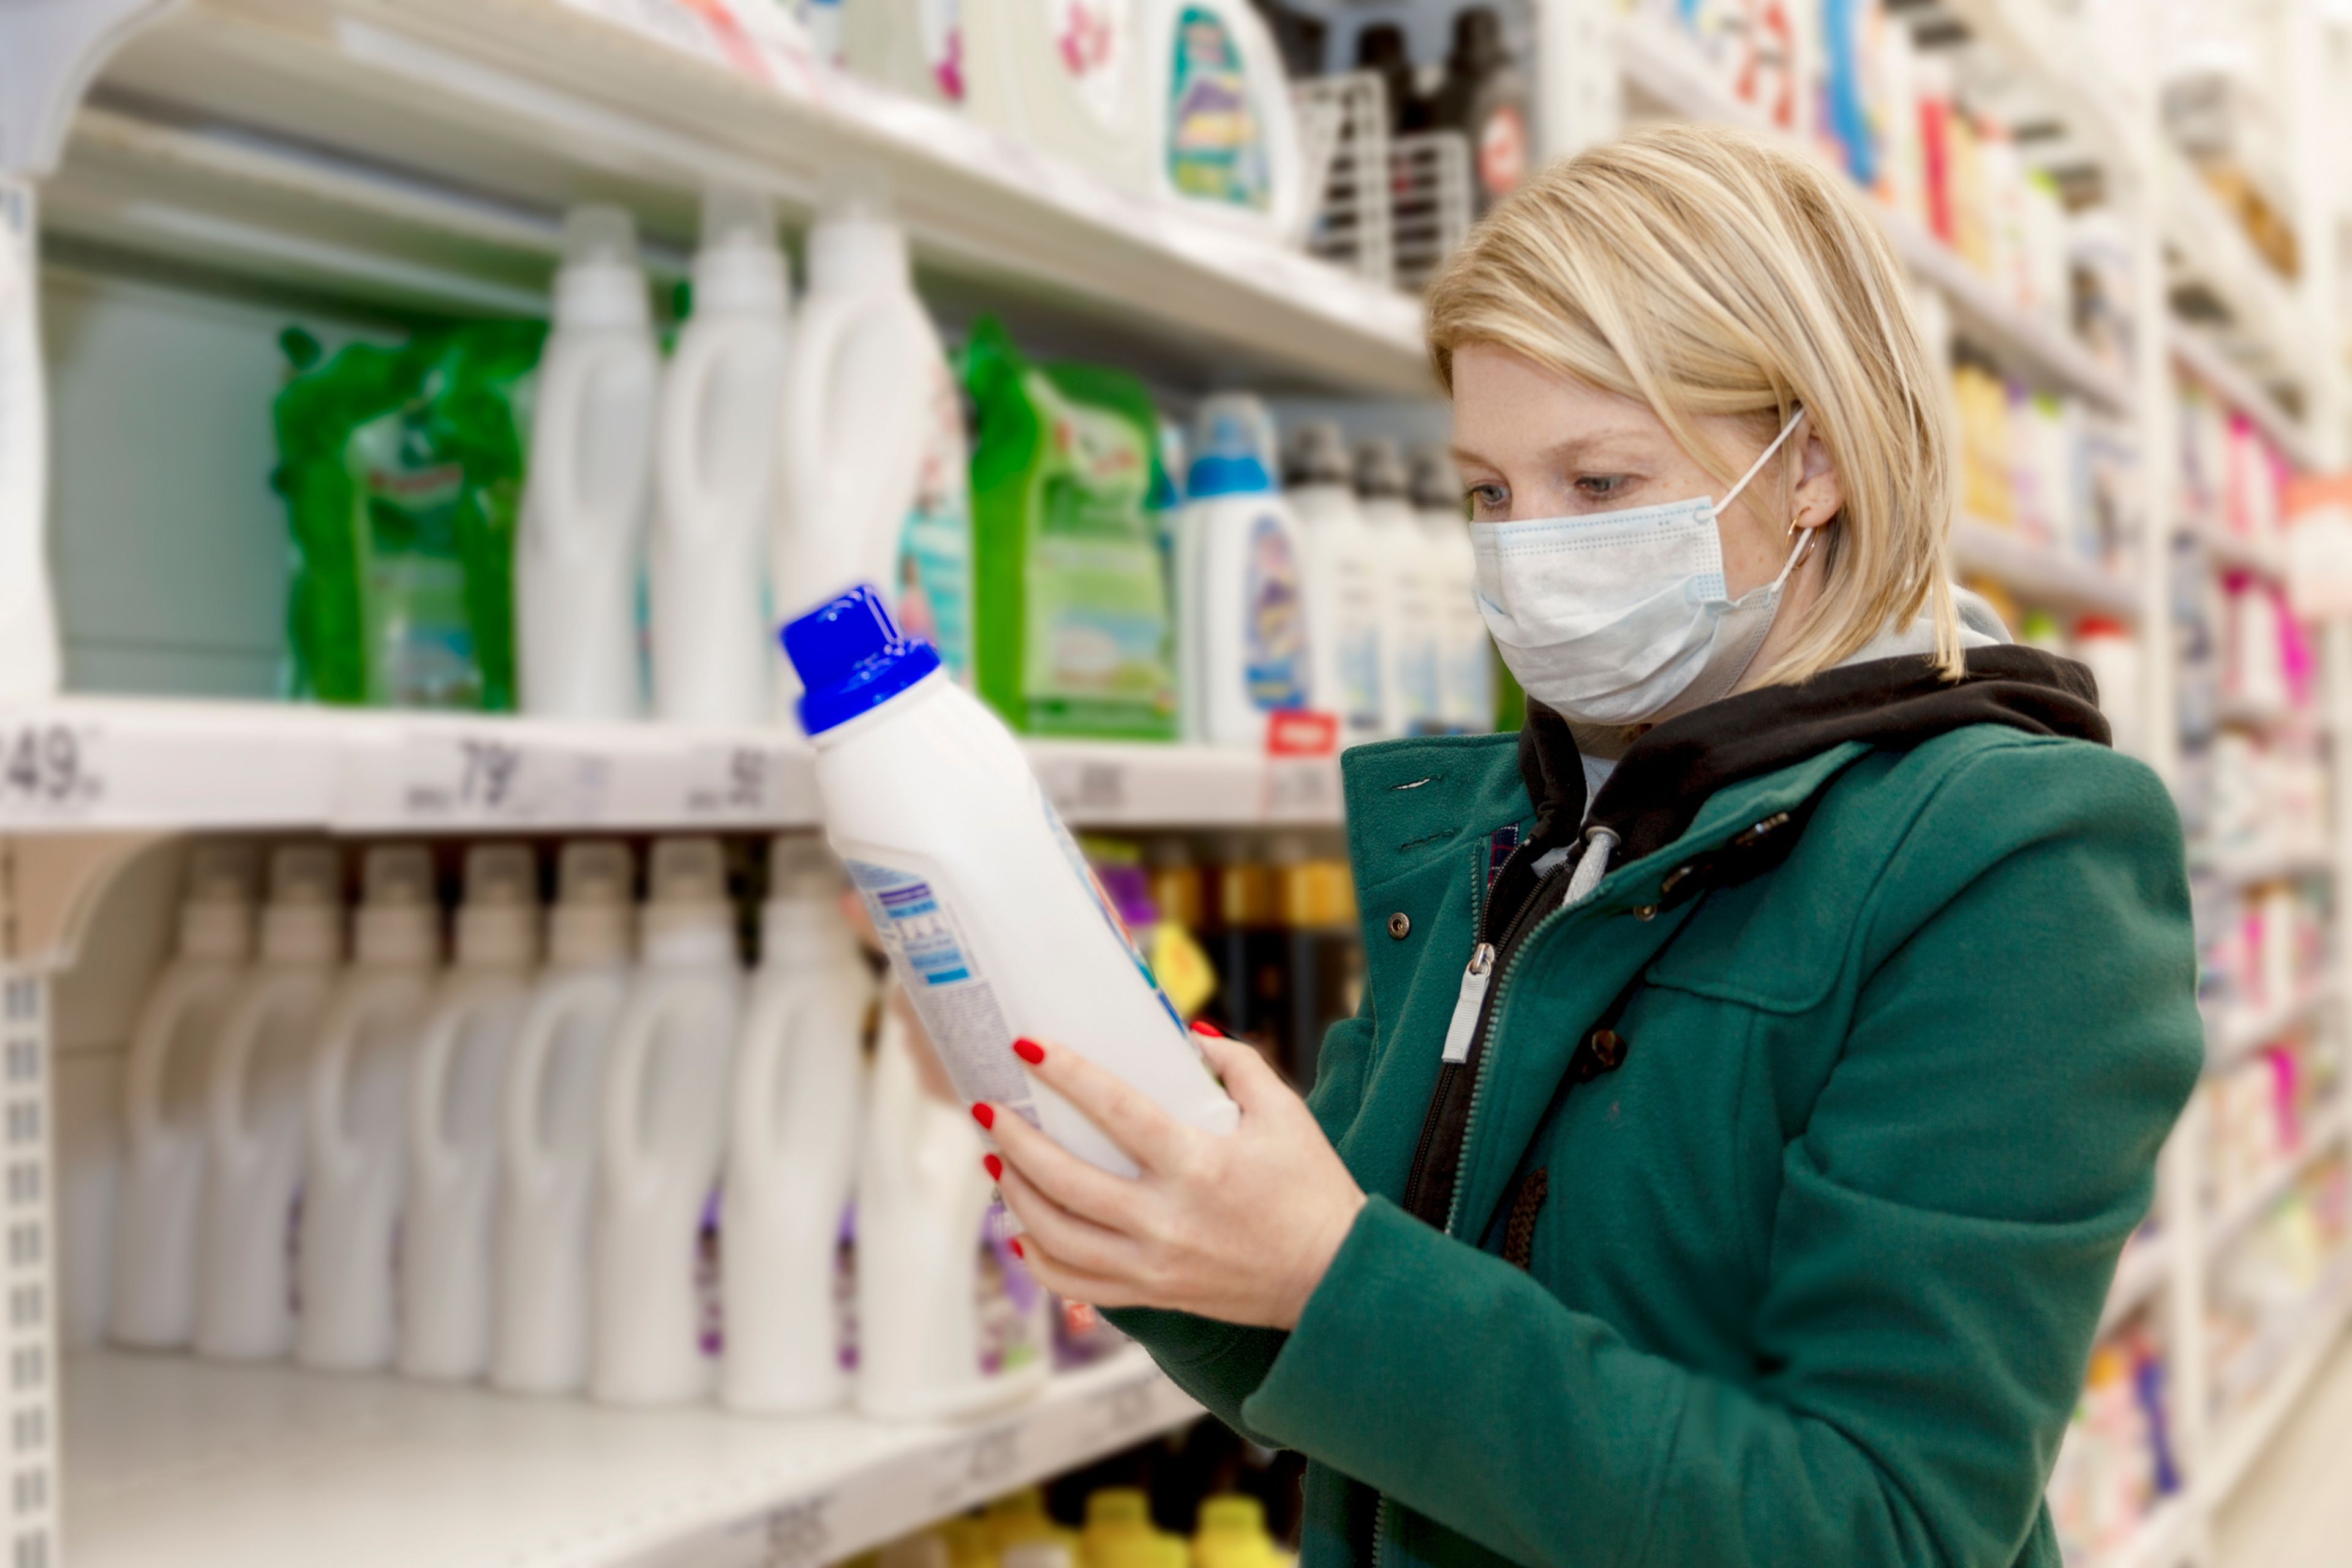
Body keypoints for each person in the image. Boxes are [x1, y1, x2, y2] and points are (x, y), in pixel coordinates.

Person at [977, 122, 2202, 1567]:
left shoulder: (2014, 856)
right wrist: (1157, 1215)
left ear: (1808, 465)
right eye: (1489, 492)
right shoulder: (1526, 829)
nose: (1528, 553)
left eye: (1600, 485)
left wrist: (1328, 1272)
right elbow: (1357, 1370)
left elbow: (1885, 1528)